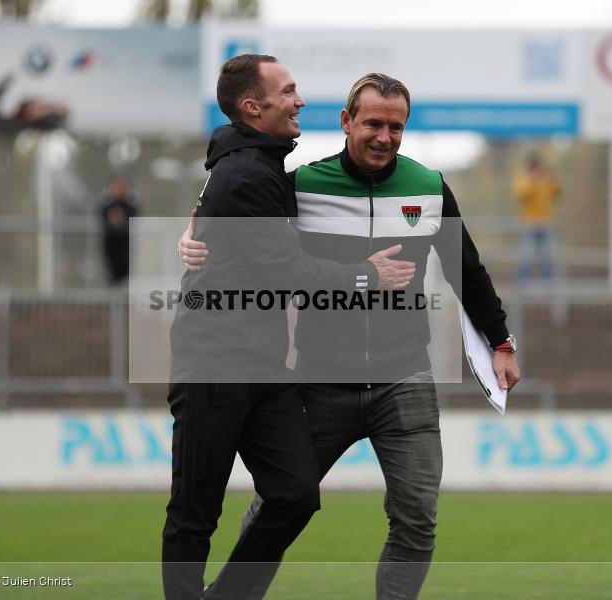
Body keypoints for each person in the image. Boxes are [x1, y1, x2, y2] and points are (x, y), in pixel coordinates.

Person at [180, 73, 521, 600]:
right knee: (279, 505)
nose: (384, 136)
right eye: (373, 124)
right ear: (346, 121)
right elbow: (240, 205)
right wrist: (195, 225)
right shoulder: (303, 184)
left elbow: (466, 271)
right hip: (319, 381)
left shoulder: (429, 186)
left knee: (418, 519)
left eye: (396, 126)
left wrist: (501, 343)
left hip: (404, 378)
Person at [163, 56, 415, 600]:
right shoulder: (245, 173)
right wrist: (365, 277)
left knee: (295, 493)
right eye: (289, 92)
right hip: (213, 364)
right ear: (254, 107)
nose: (300, 101)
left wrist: (193, 232)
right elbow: (289, 270)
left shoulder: (261, 168)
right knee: (195, 511)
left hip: (265, 366)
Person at [513, 152, 562, 284]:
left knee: (548, 254)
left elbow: (557, 191)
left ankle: (548, 280)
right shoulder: (524, 181)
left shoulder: (546, 181)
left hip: (546, 223)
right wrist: (533, 182)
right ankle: (522, 280)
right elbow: (521, 195)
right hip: (530, 224)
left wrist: (550, 179)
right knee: (526, 253)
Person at [99, 177, 138, 285]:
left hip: (126, 247)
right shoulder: (106, 204)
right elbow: (102, 215)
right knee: (112, 276)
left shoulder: (130, 205)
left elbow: (134, 214)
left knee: (125, 276)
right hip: (111, 246)